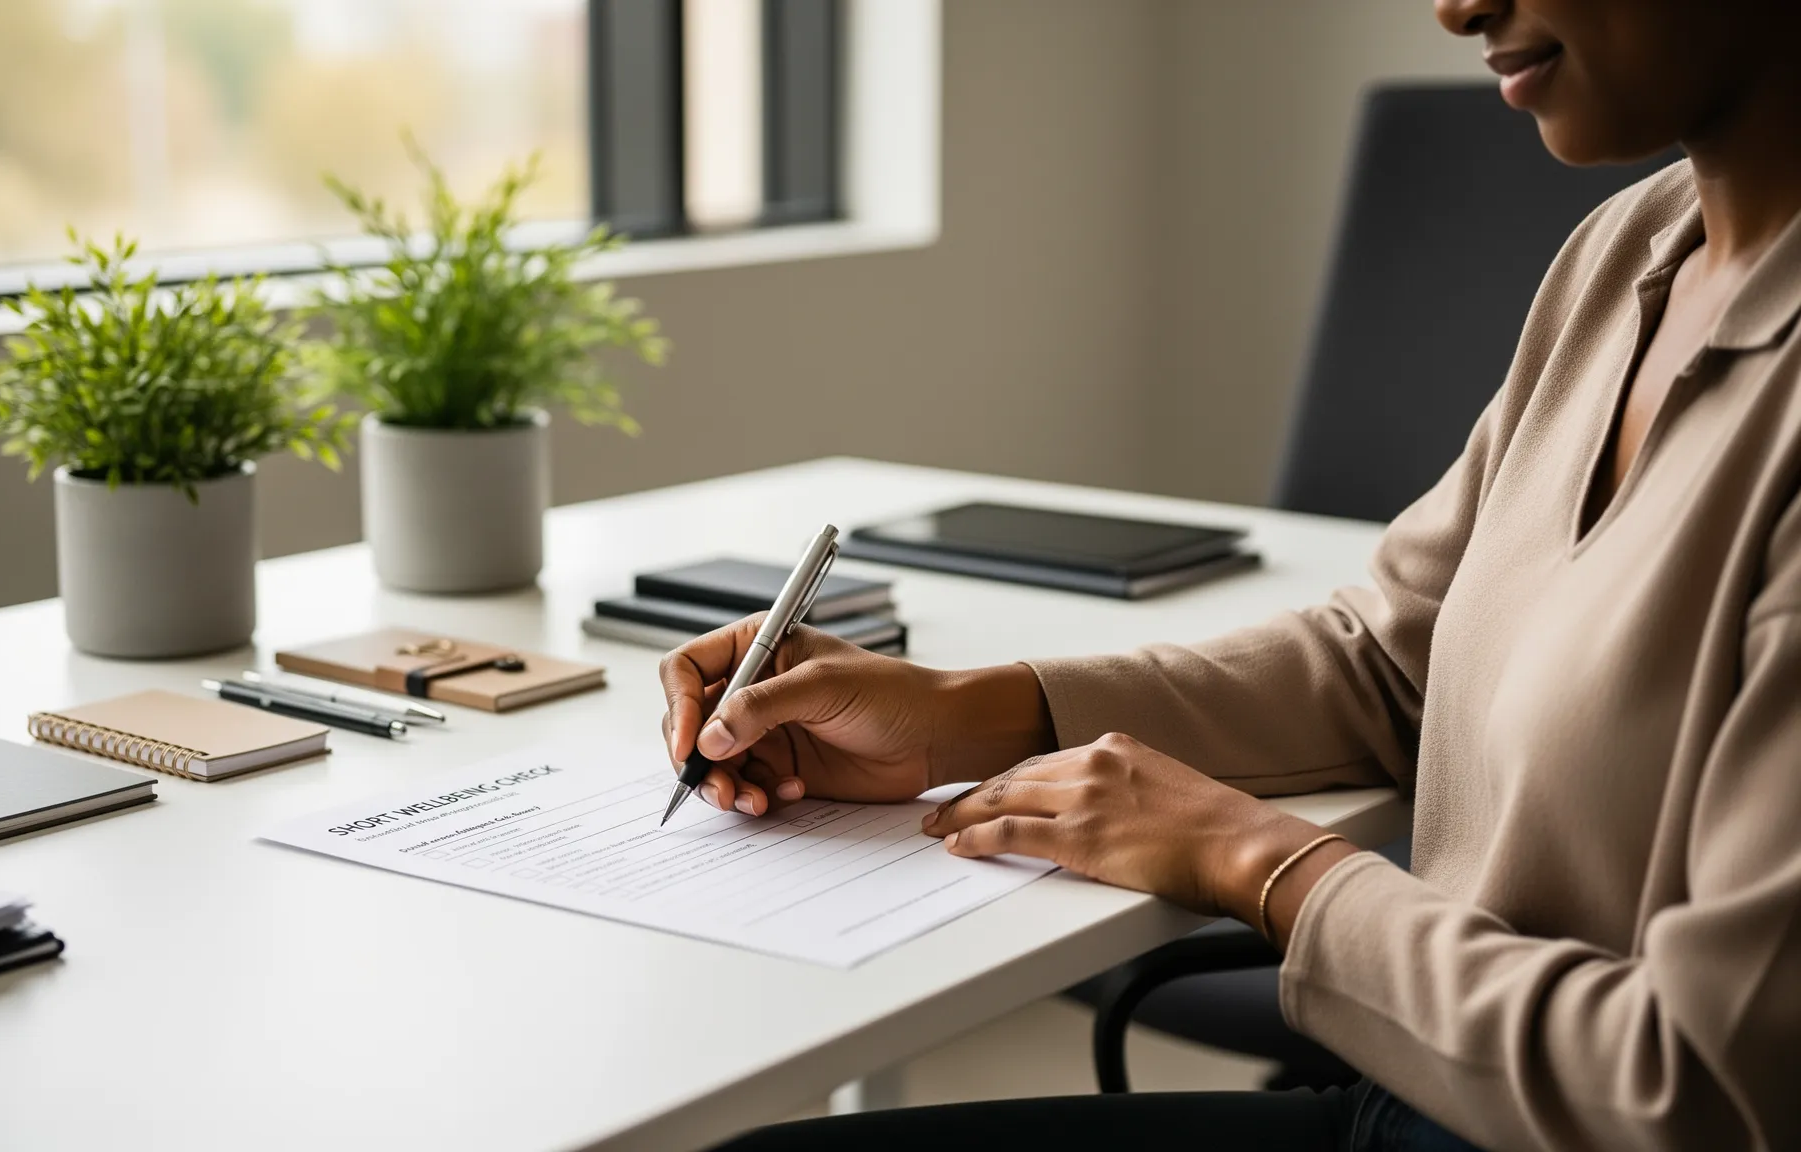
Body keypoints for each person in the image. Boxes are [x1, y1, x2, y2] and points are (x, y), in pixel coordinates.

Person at [660, 1, 1801, 1149]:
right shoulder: (1628, 251)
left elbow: (1701, 1084)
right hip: (1424, 1097)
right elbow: (1387, 658)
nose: (1456, 7)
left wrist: (1254, 861)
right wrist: (964, 717)